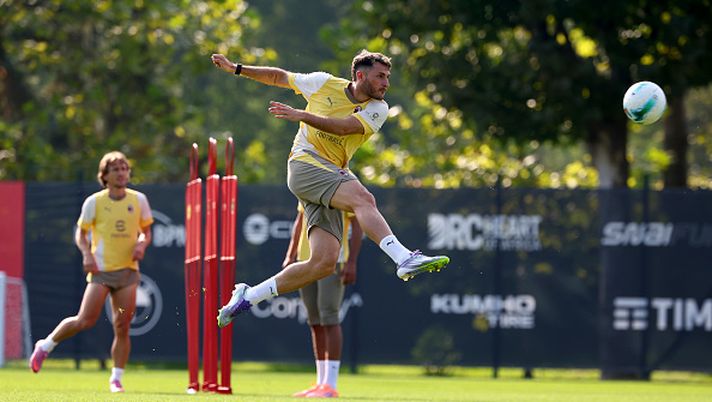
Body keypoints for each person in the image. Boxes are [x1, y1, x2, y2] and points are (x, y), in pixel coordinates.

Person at [211, 49, 450, 329]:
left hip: (330, 173)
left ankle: (248, 296)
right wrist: (237, 68)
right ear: (360, 76)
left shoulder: (378, 108)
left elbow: (344, 128)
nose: (386, 83)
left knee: (323, 263)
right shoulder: (323, 83)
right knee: (364, 197)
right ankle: (403, 258)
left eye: (387, 77)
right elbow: (278, 76)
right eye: (380, 76)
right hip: (304, 165)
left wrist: (302, 115)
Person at [29, 151, 154, 394]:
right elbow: (80, 233)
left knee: (122, 325)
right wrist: (87, 254)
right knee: (85, 320)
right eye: (115, 169)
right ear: (105, 175)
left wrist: (142, 243)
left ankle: (116, 378)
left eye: (124, 168)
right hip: (102, 271)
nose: (121, 172)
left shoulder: (138, 200)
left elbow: (146, 232)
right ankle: (45, 346)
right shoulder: (94, 202)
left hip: (128, 272)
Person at [283, 205, 362, 398]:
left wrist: (352, 261)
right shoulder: (308, 179)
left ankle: (331, 384)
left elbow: (357, 225)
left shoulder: (343, 179)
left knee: (330, 318)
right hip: (305, 261)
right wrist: (290, 255)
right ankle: (320, 382)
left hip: (333, 260)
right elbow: (300, 220)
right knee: (315, 321)